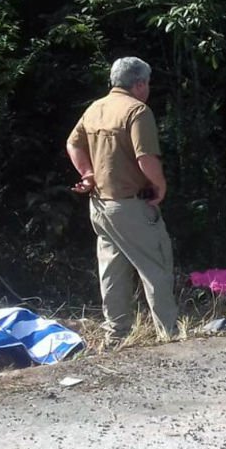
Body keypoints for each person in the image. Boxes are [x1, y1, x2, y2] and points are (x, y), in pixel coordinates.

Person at [66, 57, 179, 342]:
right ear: (139, 83)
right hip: (132, 205)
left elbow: (73, 143)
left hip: (100, 205)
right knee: (156, 266)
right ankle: (170, 335)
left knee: (112, 272)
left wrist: (88, 173)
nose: (148, 89)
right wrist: (160, 185)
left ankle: (115, 336)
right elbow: (145, 158)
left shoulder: (95, 108)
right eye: (148, 83)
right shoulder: (137, 111)